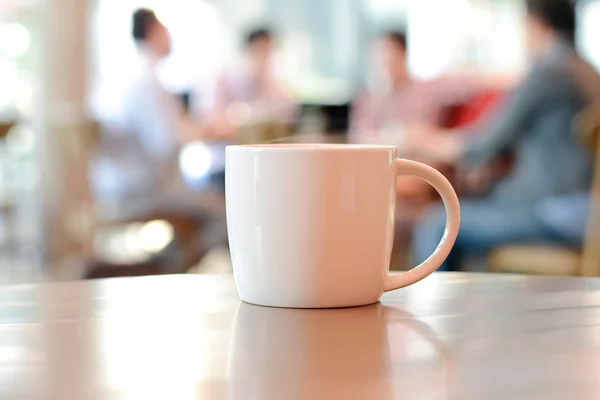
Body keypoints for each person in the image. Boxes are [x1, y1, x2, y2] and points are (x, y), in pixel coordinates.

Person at [411, 0, 600, 271]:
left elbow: (483, 143)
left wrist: (422, 141)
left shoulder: (548, 71)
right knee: (481, 202)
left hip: (556, 212)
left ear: (535, 23)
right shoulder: (588, 72)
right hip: (586, 212)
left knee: (438, 223)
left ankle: (427, 311)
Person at [91, 8, 202, 201]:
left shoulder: (118, 73)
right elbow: (165, 143)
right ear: (152, 29)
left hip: (109, 186)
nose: (170, 35)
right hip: (142, 189)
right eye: (165, 27)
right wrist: (205, 131)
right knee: (223, 212)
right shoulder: (146, 79)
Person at [350, 30, 510, 146]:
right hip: (381, 163)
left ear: (403, 55)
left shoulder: (428, 89)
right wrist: (395, 137)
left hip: (422, 164)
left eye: (390, 57)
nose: (385, 65)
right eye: (380, 59)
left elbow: (475, 81)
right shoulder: (369, 100)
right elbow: (359, 140)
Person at [208, 27, 297, 139]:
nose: (263, 57)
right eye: (258, 50)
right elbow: (215, 126)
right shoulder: (226, 83)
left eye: (267, 51)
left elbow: (289, 118)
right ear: (246, 51)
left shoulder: (279, 90)